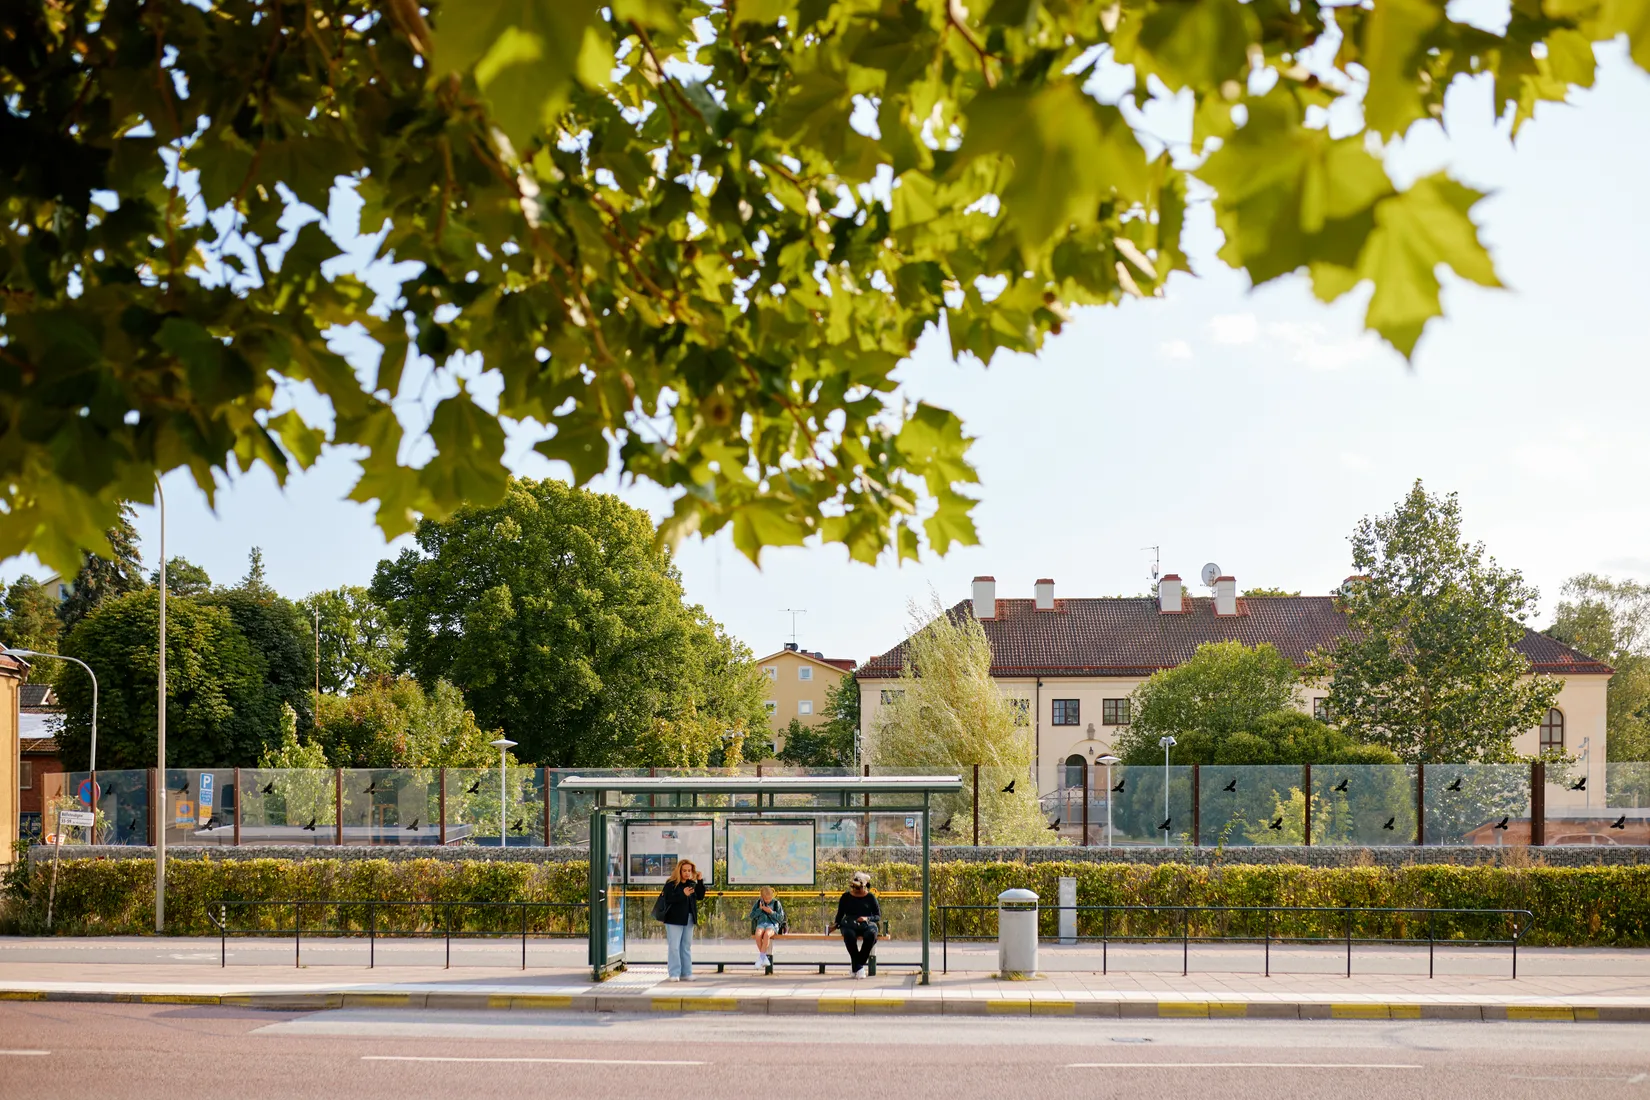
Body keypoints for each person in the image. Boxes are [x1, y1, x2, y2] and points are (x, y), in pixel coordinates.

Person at [657, 859, 707, 982]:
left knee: (686, 946)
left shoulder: (691, 884)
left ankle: (686, 972)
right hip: (674, 919)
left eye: (689, 870)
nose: (687, 873)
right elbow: (668, 898)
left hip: (688, 918)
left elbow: (700, 896)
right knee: (674, 946)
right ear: (679, 871)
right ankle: (674, 973)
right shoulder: (671, 884)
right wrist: (682, 894)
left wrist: (700, 880)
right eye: (684, 870)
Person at [834, 870, 881, 979]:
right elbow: (840, 914)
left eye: (858, 888)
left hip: (866, 924)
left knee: (871, 934)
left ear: (864, 887)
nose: (856, 890)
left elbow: (877, 916)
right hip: (849, 924)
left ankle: (856, 966)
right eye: (854, 887)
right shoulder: (845, 897)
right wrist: (835, 925)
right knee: (849, 935)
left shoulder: (870, 897)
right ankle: (859, 967)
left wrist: (867, 918)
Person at [747, 885, 785, 972]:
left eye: (769, 898)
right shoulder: (758, 903)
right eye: (766, 899)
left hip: (772, 924)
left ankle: (761, 958)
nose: (768, 900)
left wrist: (771, 912)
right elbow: (752, 915)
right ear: (762, 897)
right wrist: (760, 910)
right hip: (761, 924)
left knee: (767, 935)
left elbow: (781, 918)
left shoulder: (776, 903)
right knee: (758, 934)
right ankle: (763, 958)